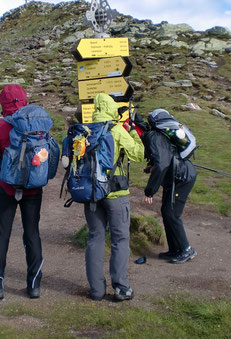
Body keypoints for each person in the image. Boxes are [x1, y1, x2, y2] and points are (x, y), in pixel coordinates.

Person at [84, 93, 144, 302]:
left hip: (91, 192)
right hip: (116, 193)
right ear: (110, 108)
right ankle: (121, 287)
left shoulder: (85, 130)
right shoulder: (117, 129)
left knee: (95, 238)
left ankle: (97, 291)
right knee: (120, 239)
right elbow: (138, 154)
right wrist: (134, 132)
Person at [0, 84, 43, 300]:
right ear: (25, 100)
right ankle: (34, 285)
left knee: (1, 234)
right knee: (32, 233)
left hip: (6, 188)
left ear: (3, 104)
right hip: (33, 188)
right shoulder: (37, 123)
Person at [141, 109, 197, 264]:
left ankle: (186, 249)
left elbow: (162, 164)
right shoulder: (161, 135)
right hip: (179, 175)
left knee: (172, 214)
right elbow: (164, 158)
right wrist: (151, 166)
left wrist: (150, 191)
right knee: (167, 212)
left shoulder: (154, 136)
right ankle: (175, 249)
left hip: (180, 178)